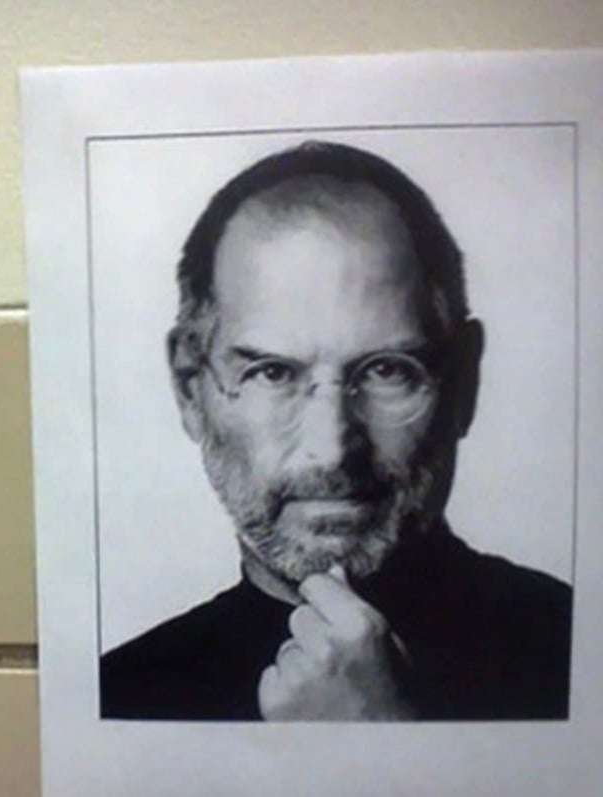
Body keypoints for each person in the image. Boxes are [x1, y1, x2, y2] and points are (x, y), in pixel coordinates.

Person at [99, 141, 573, 721]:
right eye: (271, 372)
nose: (332, 449)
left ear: (464, 384)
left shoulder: (578, 651)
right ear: (188, 389)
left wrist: (383, 740)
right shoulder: (119, 696)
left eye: (386, 370)